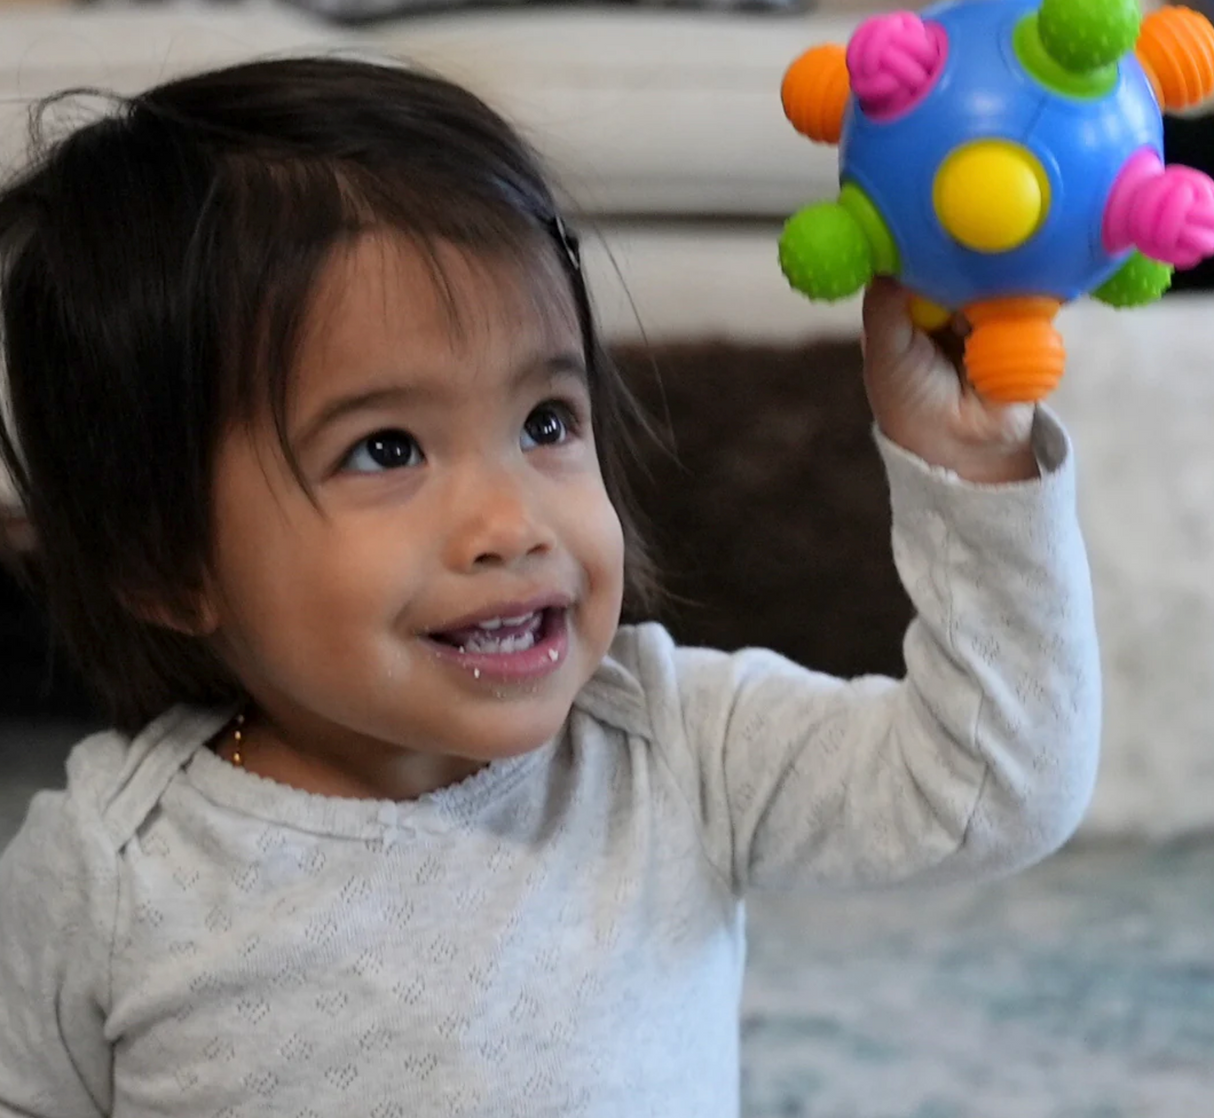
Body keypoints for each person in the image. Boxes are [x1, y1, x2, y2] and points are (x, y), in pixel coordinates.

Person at [0, 55, 1100, 1117]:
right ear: (165, 562)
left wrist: (975, 465)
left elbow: (989, 785)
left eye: (544, 423)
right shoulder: (108, 877)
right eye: (386, 449)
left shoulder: (674, 750)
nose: (511, 523)